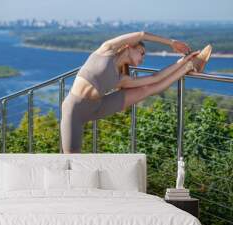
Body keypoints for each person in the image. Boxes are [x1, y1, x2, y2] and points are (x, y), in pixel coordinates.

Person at [60, 31, 212, 153]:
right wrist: (172, 43)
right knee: (71, 158)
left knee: (147, 89)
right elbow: (142, 34)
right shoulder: (106, 50)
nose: (143, 59)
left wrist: (182, 62)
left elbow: (155, 78)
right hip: (74, 110)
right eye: (142, 53)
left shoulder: (122, 79)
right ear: (129, 47)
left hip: (98, 106)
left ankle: (191, 65)